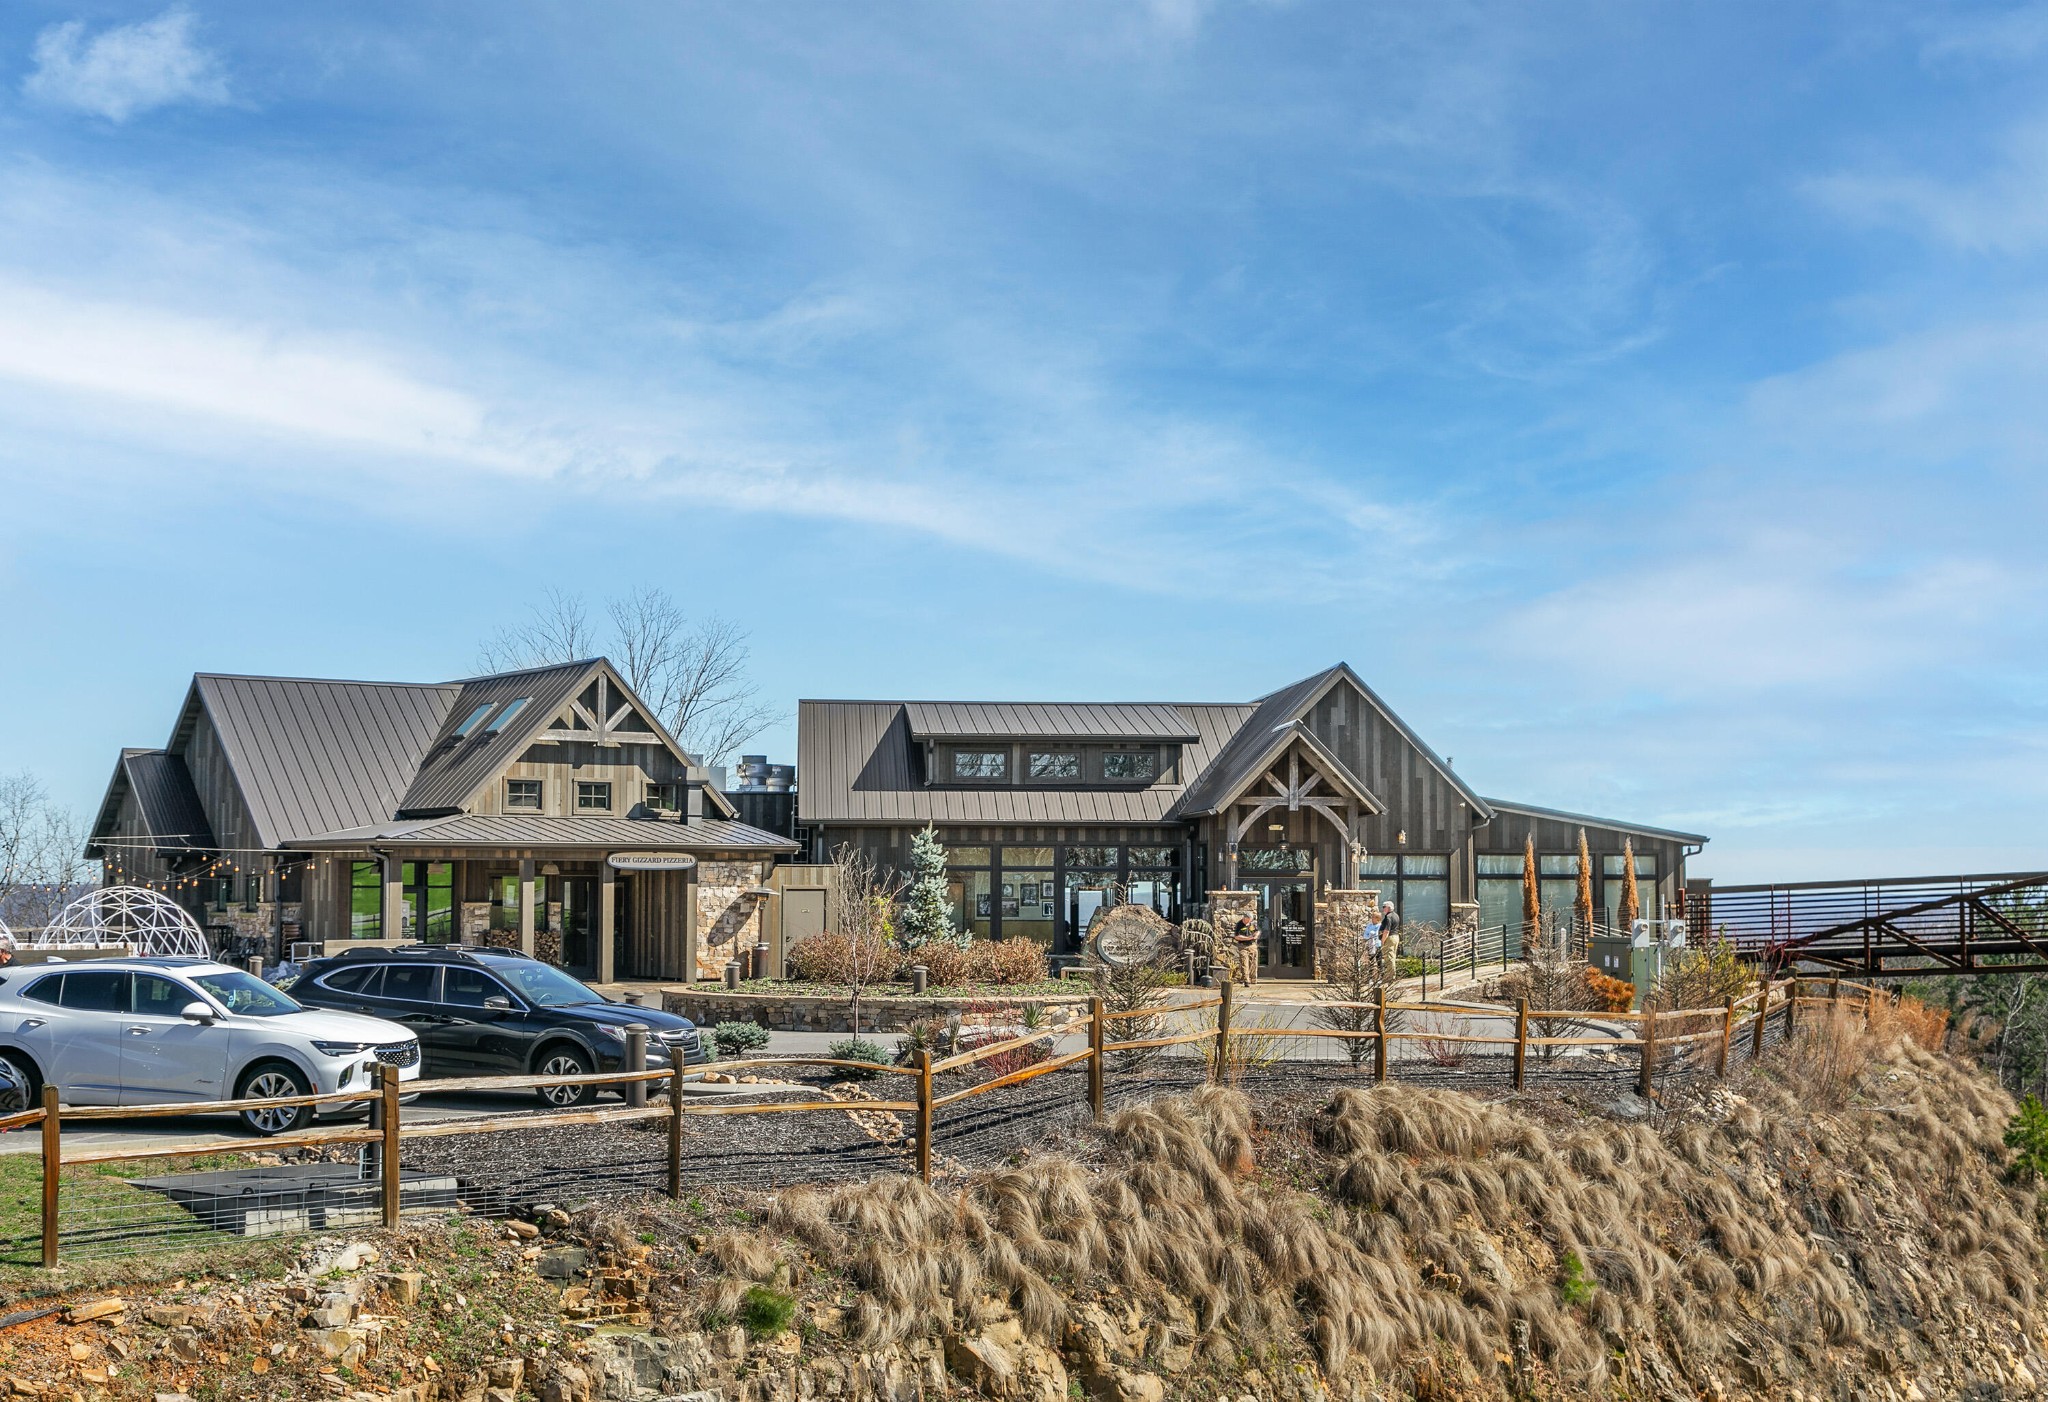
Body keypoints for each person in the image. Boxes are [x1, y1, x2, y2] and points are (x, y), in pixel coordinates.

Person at [1230, 914, 1259, 985]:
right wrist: (1248, 938)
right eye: (1247, 920)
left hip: (1252, 946)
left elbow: (1257, 931)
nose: (1248, 922)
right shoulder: (1239, 925)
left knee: (1253, 963)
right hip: (1243, 946)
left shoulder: (1251, 924)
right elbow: (1237, 937)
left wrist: (1256, 935)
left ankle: (1253, 979)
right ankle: (1246, 980)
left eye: (1250, 921)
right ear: (1244, 918)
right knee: (1244, 962)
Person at [1379, 901, 1402, 977]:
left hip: (1390, 937)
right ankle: (1391, 975)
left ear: (1388, 908)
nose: (1383, 909)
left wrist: (1382, 941)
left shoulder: (1388, 917)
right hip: (1396, 937)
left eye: (1384, 907)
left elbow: (1386, 930)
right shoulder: (1396, 915)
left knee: (1389, 957)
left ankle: (1390, 976)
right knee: (1392, 956)